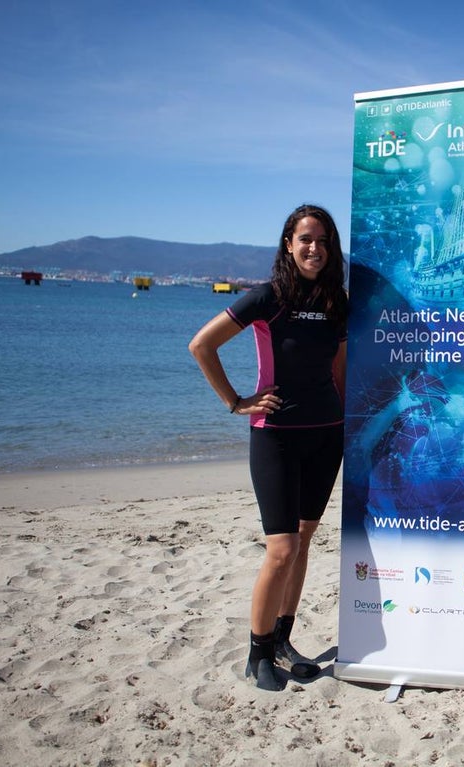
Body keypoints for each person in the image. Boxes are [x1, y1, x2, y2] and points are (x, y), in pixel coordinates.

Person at [189, 204, 348, 691]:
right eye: (305, 239)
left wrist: (347, 416)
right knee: (280, 549)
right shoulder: (268, 298)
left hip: (327, 436)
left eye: (322, 240)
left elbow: (339, 366)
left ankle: (283, 639)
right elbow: (202, 345)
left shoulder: (337, 302)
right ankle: (257, 653)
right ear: (288, 244)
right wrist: (236, 401)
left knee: (302, 544)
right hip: (275, 436)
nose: (314, 248)